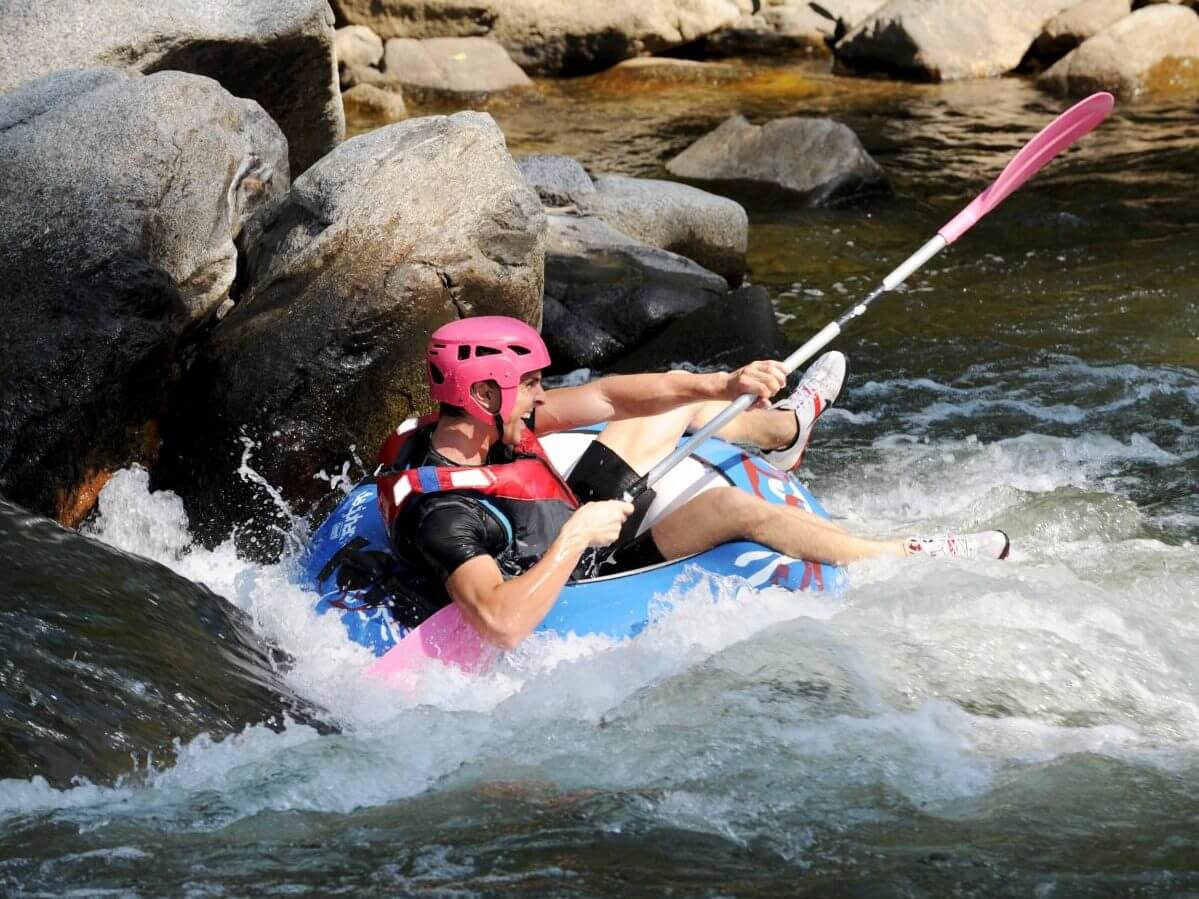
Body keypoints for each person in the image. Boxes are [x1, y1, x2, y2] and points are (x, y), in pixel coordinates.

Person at [377, 316, 1009, 649]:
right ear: (485, 392)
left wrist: (719, 385)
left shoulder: (478, 425)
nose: (542, 395)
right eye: (532, 384)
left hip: (563, 526)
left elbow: (602, 395)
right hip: (580, 574)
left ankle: (783, 431)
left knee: (665, 404)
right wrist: (575, 537)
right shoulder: (446, 515)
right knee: (731, 506)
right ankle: (898, 555)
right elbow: (501, 623)